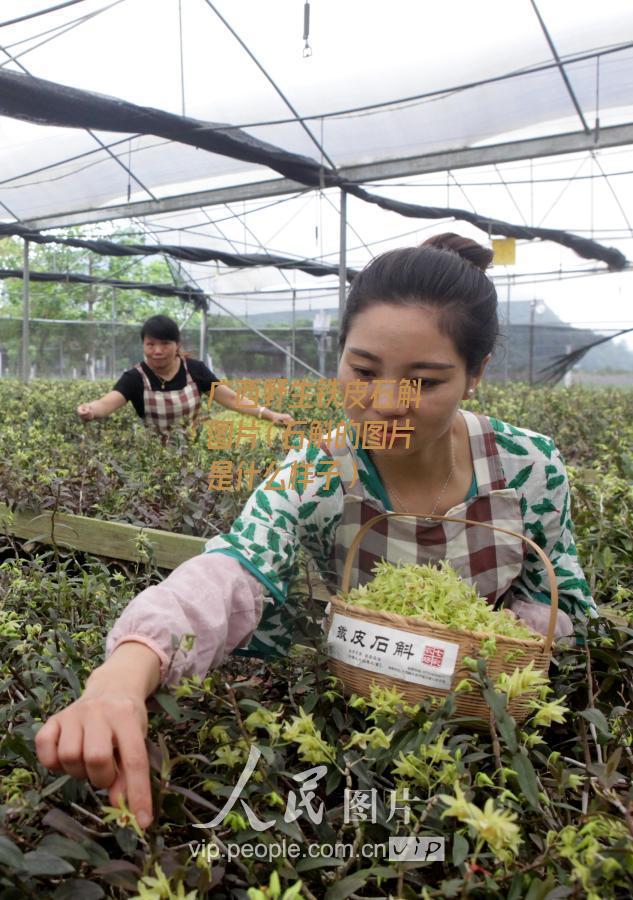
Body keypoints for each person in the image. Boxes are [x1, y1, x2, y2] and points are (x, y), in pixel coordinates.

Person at [37, 234, 598, 828]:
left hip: (488, 731)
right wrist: (123, 674)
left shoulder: (527, 468)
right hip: (357, 724)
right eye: (363, 370)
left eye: (425, 382)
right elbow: (235, 567)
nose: (384, 404)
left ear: (475, 374)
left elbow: (560, 598)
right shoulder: (318, 471)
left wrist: (491, 647)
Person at [76, 314, 294, 431]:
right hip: (153, 456)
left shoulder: (194, 369)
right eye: (150, 344)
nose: (157, 351)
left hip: (193, 451)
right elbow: (107, 403)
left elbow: (232, 399)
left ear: (177, 344)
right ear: (143, 344)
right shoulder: (134, 378)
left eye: (164, 343)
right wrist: (90, 410)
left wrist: (271, 414)